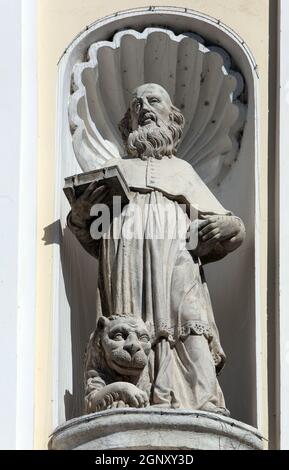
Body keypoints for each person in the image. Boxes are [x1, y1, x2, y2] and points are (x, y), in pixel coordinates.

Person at [67, 83, 245, 414]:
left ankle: (204, 400)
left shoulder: (182, 171)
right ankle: (135, 394)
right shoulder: (117, 171)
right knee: (131, 327)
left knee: (190, 319)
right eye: (136, 104)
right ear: (129, 121)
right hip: (125, 261)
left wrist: (231, 225)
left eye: (153, 100)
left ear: (170, 115)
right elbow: (92, 236)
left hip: (178, 254)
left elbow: (226, 226)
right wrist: (80, 215)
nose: (144, 107)